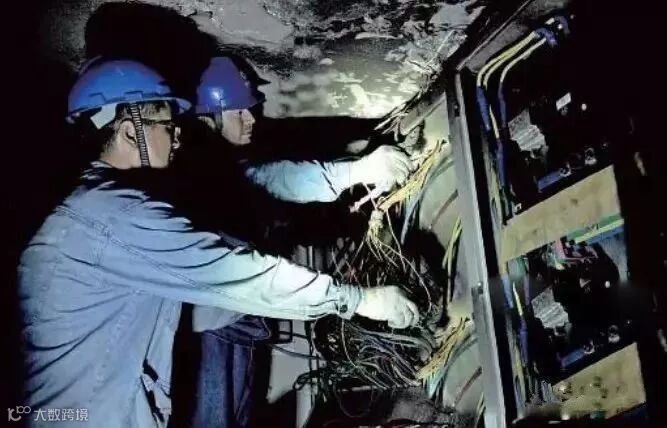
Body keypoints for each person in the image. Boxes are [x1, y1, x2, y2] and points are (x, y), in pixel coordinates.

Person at [17, 57, 419, 427]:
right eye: (167, 127)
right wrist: (357, 300)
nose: (176, 139)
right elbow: (237, 272)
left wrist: (353, 172)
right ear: (128, 131)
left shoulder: (97, 210)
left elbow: (265, 179)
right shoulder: (116, 217)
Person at [187, 56, 417, 428]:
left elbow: (274, 178)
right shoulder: (200, 172)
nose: (251, 119)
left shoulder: (224, 166)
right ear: (208, 118)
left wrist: (356, 169)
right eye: (239, 112)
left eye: (250, 109)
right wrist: (358, 171)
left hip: (236, 325)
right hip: (212, 333)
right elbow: (278, 179)